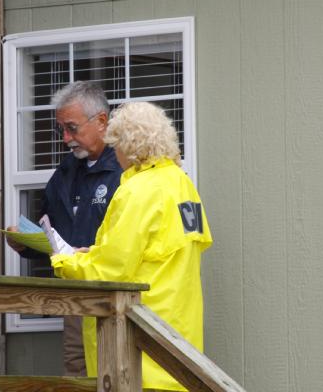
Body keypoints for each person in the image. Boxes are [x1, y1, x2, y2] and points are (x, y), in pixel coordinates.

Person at [51, 101, 213, 391]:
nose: (115, 153)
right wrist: (97, 253)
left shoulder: (137, 192)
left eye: (116, 145)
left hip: (138, 353)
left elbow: (110, 271)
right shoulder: (182, 184)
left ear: (129, 145)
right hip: (179, 343)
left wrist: (64, 261)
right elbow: (153, 254)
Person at [6, 81, 122, 376]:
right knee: (77, 370)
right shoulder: (66, 171)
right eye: (62, 130)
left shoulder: (126, 168)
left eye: (72, 128)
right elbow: (54, 233)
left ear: (101, 121)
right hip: (73, 296)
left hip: (116, 296)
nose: (66, 138)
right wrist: (27, 244)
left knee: (115, 368)